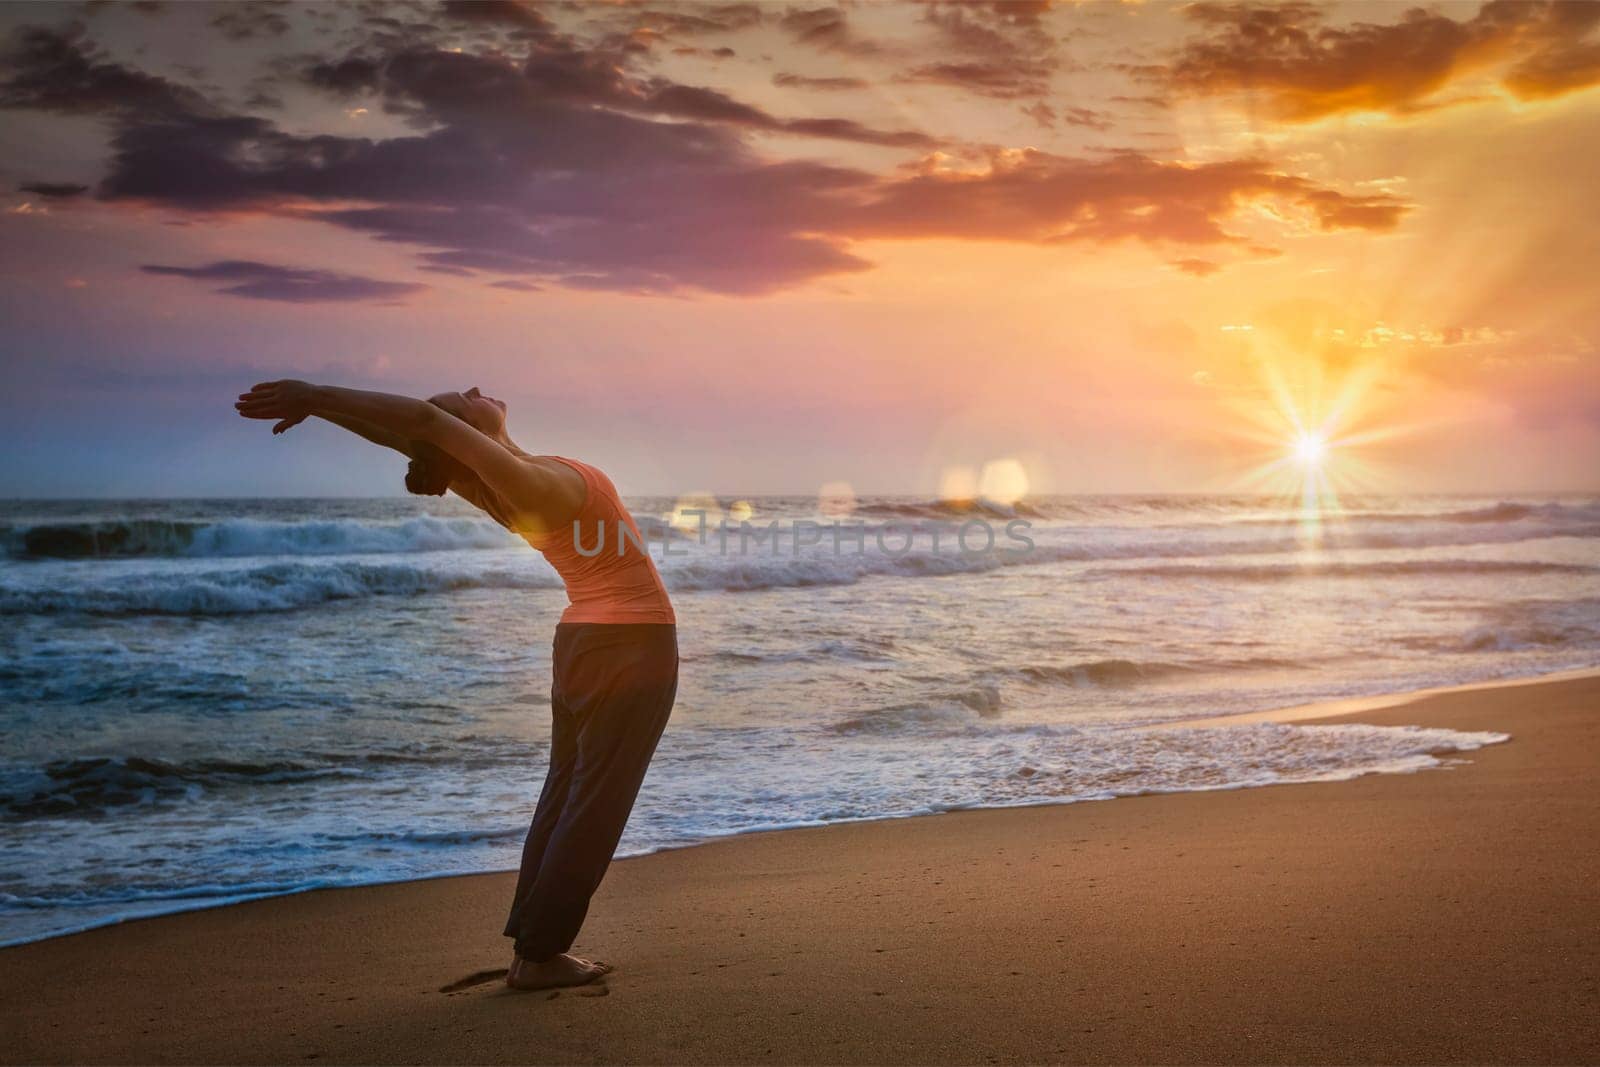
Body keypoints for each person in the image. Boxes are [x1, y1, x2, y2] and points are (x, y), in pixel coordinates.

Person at [235, 380, 677, 991]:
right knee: (593, 808)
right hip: (631, 646)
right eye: (461, 398)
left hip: (582, 641)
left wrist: (322, 410)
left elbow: (409, 434)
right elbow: (421, 422)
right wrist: (314, 392)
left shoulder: (502, 477)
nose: (474, 386)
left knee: (565, 797)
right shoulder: (525, 484)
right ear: (464, 430)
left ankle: (535, 944)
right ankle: (542, 954)